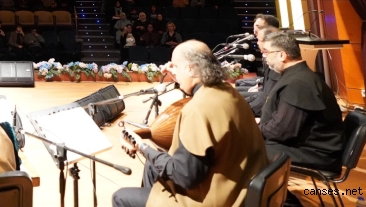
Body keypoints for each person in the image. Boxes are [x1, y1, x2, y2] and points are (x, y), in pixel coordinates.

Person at [112, 41, 267, 207]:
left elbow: (185, 177)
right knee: (152, 165)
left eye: (176, 66)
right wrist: (178, 75)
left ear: (192, 69)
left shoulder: (198, 108)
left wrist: (142, 147)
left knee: (120, 197)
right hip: (239, 185)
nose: (173, 71)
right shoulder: (228, 92)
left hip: (217, 200)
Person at [258, 32, 344, 174]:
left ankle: (261, 188)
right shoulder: (297, 76)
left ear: (282, 55)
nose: (264, 56)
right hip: (303, 146)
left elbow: (282, 131)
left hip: (314, 153)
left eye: (266, 52)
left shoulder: (298, 83)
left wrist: (255, 130)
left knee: (246, 148)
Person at [236, 13, 280, 92]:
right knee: (238, 83)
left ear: (270, 29)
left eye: (258, 27)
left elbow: (274, 81)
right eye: (254, 27)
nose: (254, 31)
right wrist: (259, 84)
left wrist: (259, 88)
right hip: (265, 84)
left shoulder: (276, 49)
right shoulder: (265, 46)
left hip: (269, 91)